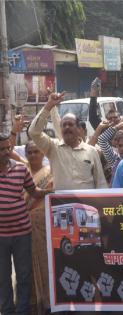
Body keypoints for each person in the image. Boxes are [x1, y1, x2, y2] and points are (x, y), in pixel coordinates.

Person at [0, 133, 51, 315]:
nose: (7, 152)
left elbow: (34, 191)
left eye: (9, 148)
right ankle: (6, 310)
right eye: (2, 149)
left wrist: (52, 192)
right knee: (3, 277)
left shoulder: (21, 170)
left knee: (23, 275)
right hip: (1, 237)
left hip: (22, 233)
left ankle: (22, 310)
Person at [29, 92, 108, 190]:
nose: (67, 127)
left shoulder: (92, 151)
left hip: (87, 204)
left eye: (70, 124)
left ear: (79, 129)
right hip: (61, 204)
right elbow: (33, 132)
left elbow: (101, 182)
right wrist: (49, 105)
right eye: (64, 125)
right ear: (60, 129)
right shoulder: (53, 147)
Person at [24, 141, 53, 315]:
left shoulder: (51, 173)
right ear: (26, 154)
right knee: (25, 267)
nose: (33, 155)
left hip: (44, 227)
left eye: (36, 151)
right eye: (30, 152)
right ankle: (32, 302)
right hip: (22, 228)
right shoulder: (20, 171)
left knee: (46, 263)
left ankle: (49, 301)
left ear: (43, 153)